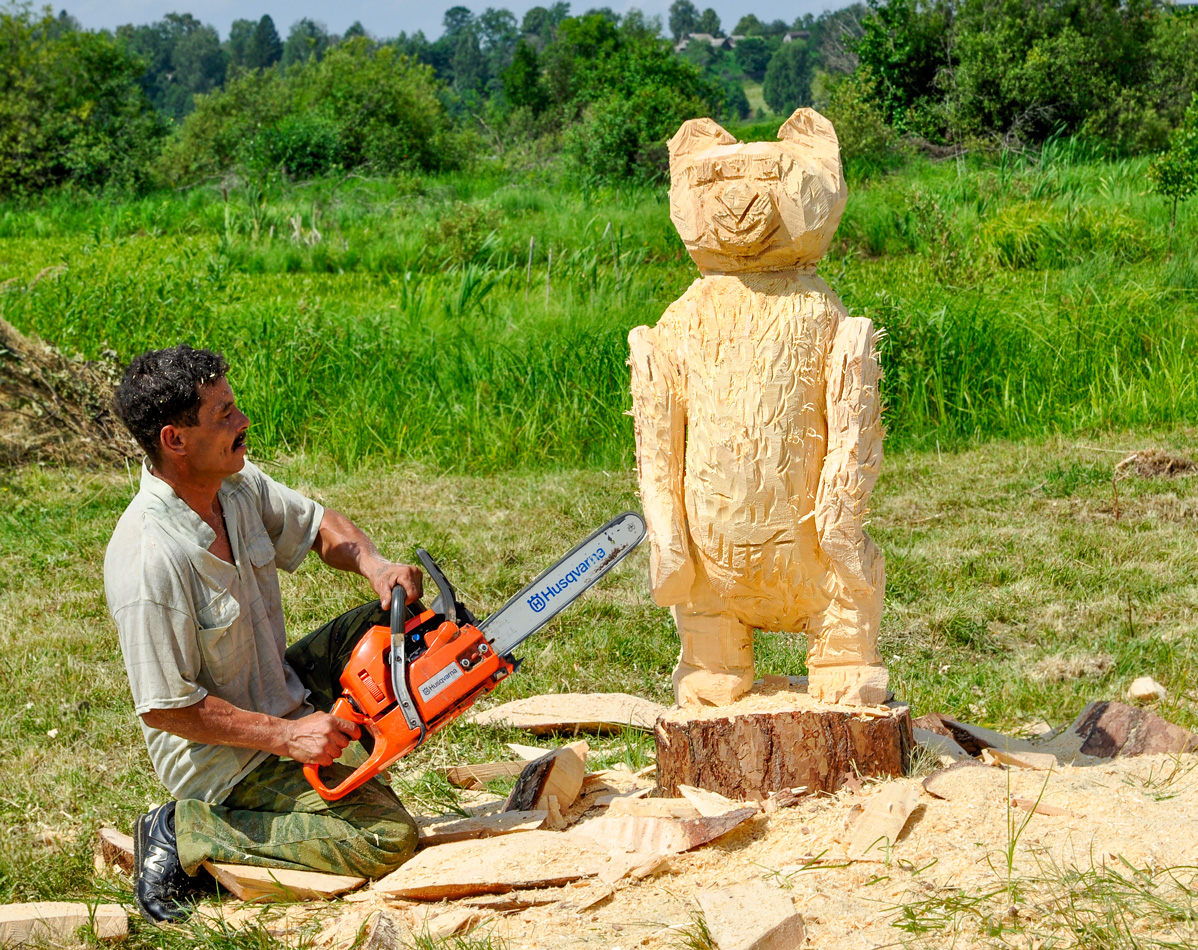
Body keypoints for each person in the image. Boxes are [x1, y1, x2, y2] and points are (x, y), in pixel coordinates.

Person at [104, 344, 424, 924]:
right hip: (226, 759)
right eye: (223, 414)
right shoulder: (149, 559)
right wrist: (287, 737)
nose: (242, 421)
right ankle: (186, 829)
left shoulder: (234, 484)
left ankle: (366, 733)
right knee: (386, 839)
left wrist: (375, 565)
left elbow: (316, 524)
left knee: (410, 629)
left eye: (235, 406)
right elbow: (166, 709)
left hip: (278, 688)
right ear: (175, 440)